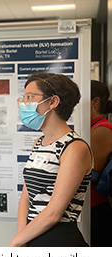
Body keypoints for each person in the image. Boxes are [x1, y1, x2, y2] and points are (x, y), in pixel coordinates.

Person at [10, 73, 92, 247]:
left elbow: (54, 212)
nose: (24, 103)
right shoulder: (38, 143)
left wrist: (16, 242)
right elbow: (26, 197)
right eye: (24, 98)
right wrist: (22, 237)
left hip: (59, 240)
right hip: (31, 236)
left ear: (53, 102)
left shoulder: (75, 147)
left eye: (30, 97)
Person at [90, 80, 112, 246]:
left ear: (95, 102)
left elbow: (92, 173)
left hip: (96, 205)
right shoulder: (90, 127)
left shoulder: (101, 129)